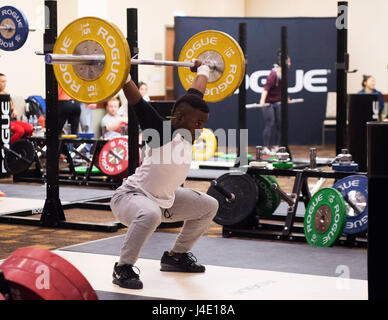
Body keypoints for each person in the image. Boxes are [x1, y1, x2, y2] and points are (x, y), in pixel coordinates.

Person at [110, 61, 218, 289]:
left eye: (203, 124)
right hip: (131, 197)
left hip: (165, 201)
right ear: (178, 118)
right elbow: (137, 101)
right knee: (150, 216)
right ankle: (123, 267)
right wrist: (123, 74)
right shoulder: (161, 132)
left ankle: (176, 256)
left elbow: (196, 92)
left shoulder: (187, 129)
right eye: (196, 123)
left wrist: (205, 69)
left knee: (209, 205)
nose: (200, 129)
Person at [258, 51, 291, 155]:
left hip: (278, 102)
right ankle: (265, 148)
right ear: (283, 63)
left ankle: (276, 146)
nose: (290, 64)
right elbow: (266, 88)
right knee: (270, 123)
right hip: (268, 103)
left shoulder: (283, 73)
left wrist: (287, 97)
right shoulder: (273, 73)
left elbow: (282, 88)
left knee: (279, 124)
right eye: (289, 62)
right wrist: (262, 101)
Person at [0, 73, 34, 144]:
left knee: (30, 129)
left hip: (11, 120)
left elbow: (12, 106)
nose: (4, 84)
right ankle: (8, 148)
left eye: (5, 81)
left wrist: (14, 110)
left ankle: (21, 147)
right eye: (2, 82)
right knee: (20, 130)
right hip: (4, 122)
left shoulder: (6, 94)